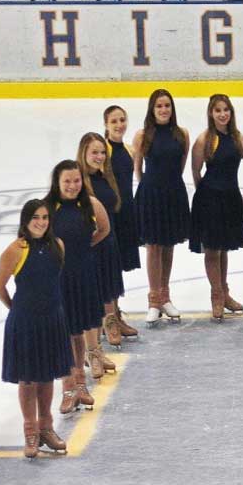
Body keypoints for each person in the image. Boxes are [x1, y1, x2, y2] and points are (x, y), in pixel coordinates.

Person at [0, 199, 71, 458]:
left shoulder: (57, 246)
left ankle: (46, 427)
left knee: (47, 375)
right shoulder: (16, 249)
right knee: (28, 378)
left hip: (52, 319)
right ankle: (30, 430)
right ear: (26, 221)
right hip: (25, 321)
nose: (41, 222)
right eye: (36, 217)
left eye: (45, 218)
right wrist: (16, 308)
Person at [46, 160, 110, 415]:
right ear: (57, 183)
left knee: (78, 332)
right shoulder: (48, 209)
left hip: (83, 275)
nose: (72, 186)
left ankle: (81, 385)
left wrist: (82, 250)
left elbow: (103, 230)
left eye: (76, 180)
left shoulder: (90, 205)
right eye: (67, 181)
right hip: (58, 278)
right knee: (64, 334)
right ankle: (68, 388)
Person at [132, 89, 190, 325]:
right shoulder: (143, 135)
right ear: (152, 110)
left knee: (168, 246)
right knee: (154, 246)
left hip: (173, 192)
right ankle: (154, 300)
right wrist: (149, 186)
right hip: (151, 193)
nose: (164, 110)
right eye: (159, 106)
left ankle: (165, 296)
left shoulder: (181, 134)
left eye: (167, 105)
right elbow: (137, 168)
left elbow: (182, 163)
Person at [190, 94, 243, 321]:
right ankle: (216, 294)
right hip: (210, 199)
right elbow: (196, 172)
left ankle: (224, 293)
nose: (223, 114)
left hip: (231, 198)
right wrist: (207, 194)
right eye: (218, 110)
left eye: (226, 110)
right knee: (212, 250)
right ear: (210, 114)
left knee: (224, 248)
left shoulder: (237, 137)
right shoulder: (204, 139)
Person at [77, 133, 124, 381]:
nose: (99, 157)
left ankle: (110, 323)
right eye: (94, 152)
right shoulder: (81, 184)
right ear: (83, 153)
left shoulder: (105, 177)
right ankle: (92, 350)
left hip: (109, 243)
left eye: (102, 152)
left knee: (107, 291)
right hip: (93, 248)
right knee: (91, 303)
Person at [102, 105, 141, 339]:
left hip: (126, 215)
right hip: (109, 217)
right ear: (106, 124)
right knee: (108, 269)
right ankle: (109, 321)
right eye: (114, 121)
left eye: (122, 120)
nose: (119, 125)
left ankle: (115, 314)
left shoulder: (128, 150)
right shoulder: (102, 151)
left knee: (117, 269)